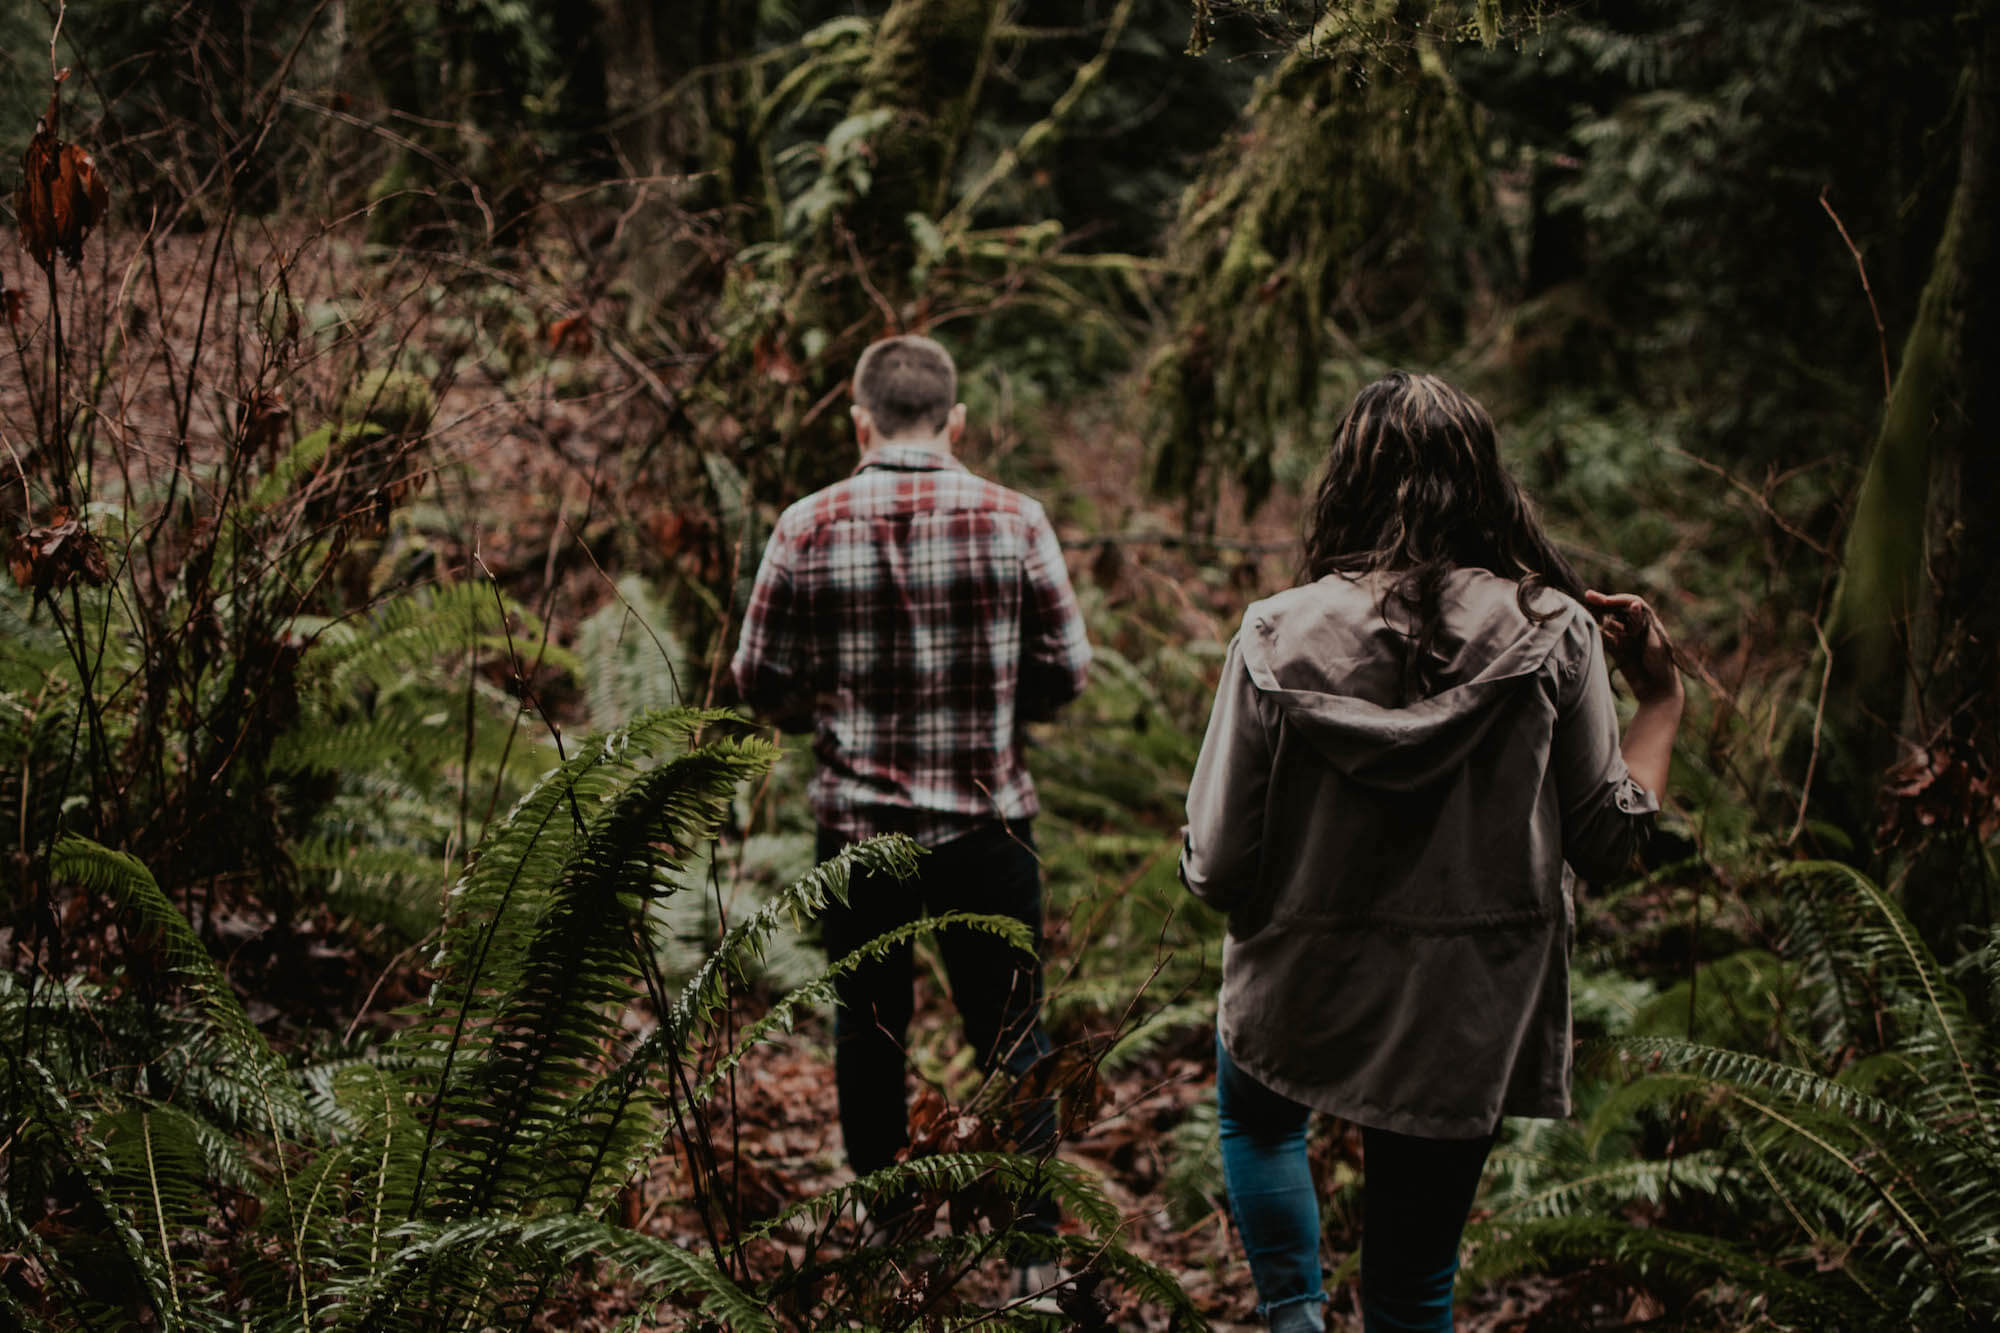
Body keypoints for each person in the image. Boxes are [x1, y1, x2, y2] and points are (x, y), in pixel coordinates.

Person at [1179, 371, 1683, 1332]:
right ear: (1488, 484)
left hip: (1303, 979)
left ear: (1345, 482)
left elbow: (1215, 864)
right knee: (1415, 1289)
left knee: (1256, 1107)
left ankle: (1295, 1315)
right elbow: (1611, 846)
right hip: (1467, 1011)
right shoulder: (1557, 630)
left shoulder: (1276, 632)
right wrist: (1662, 701)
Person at [730, 333, 1092, 1281]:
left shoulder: (804, 526)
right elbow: (1068, 670)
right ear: (955, 420)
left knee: (869, 1026)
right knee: (1014, 1034)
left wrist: (831, 695)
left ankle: (884, 1233)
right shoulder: (1018, 520)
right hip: (988, 822)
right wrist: (1002, 711)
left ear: (860, 420)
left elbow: (756, 679)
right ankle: (1033, 1262)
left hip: (859, 831)